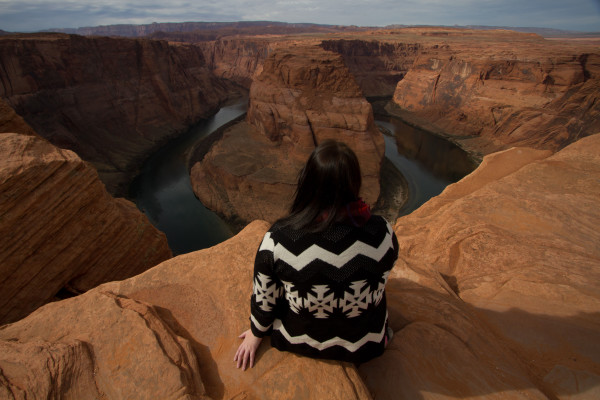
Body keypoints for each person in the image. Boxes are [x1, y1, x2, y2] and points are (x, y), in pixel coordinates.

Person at [234, 139, 398, 370]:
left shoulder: (278, 240)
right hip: (366, 344)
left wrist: (256, 332)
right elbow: (381, 277)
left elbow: (265, 297)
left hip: (297, 340)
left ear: (308, 183)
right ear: (355, 182)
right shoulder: (383, 232)